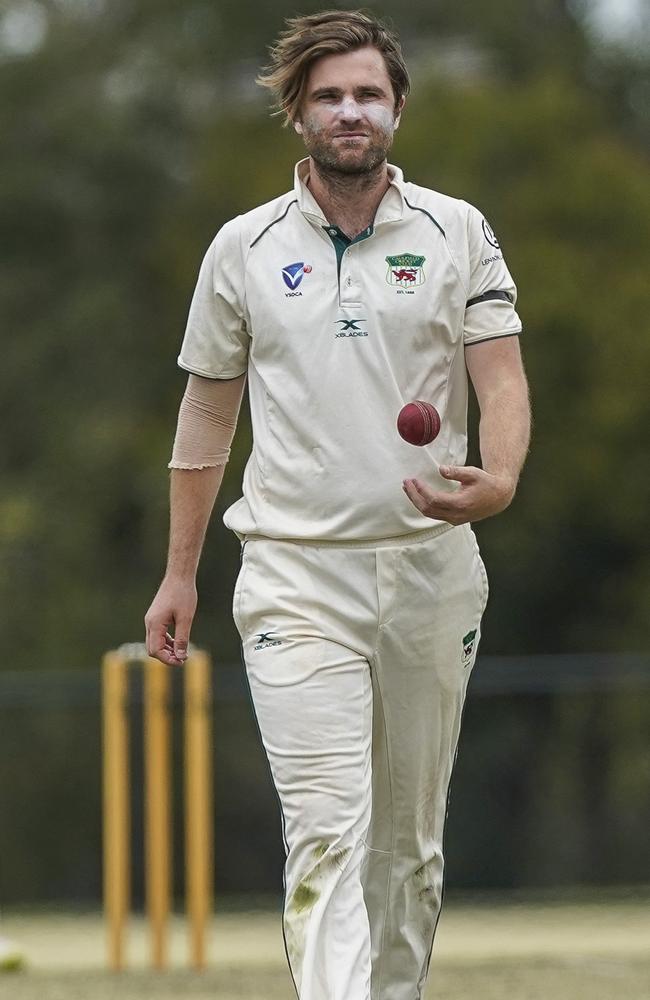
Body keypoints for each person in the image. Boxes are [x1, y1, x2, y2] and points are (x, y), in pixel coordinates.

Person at [145, 9, 531, 1000]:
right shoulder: (243, 247)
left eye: (366, 94)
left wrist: (500, 473)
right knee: (325, 832)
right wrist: (180, 572)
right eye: (328, 96)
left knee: (406, 851)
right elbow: (203, 419)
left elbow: (498, 376)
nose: (348, 111)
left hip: (429, 569)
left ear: (396, 108)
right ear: (297, 114)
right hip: (293, 574)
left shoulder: (456, 230)